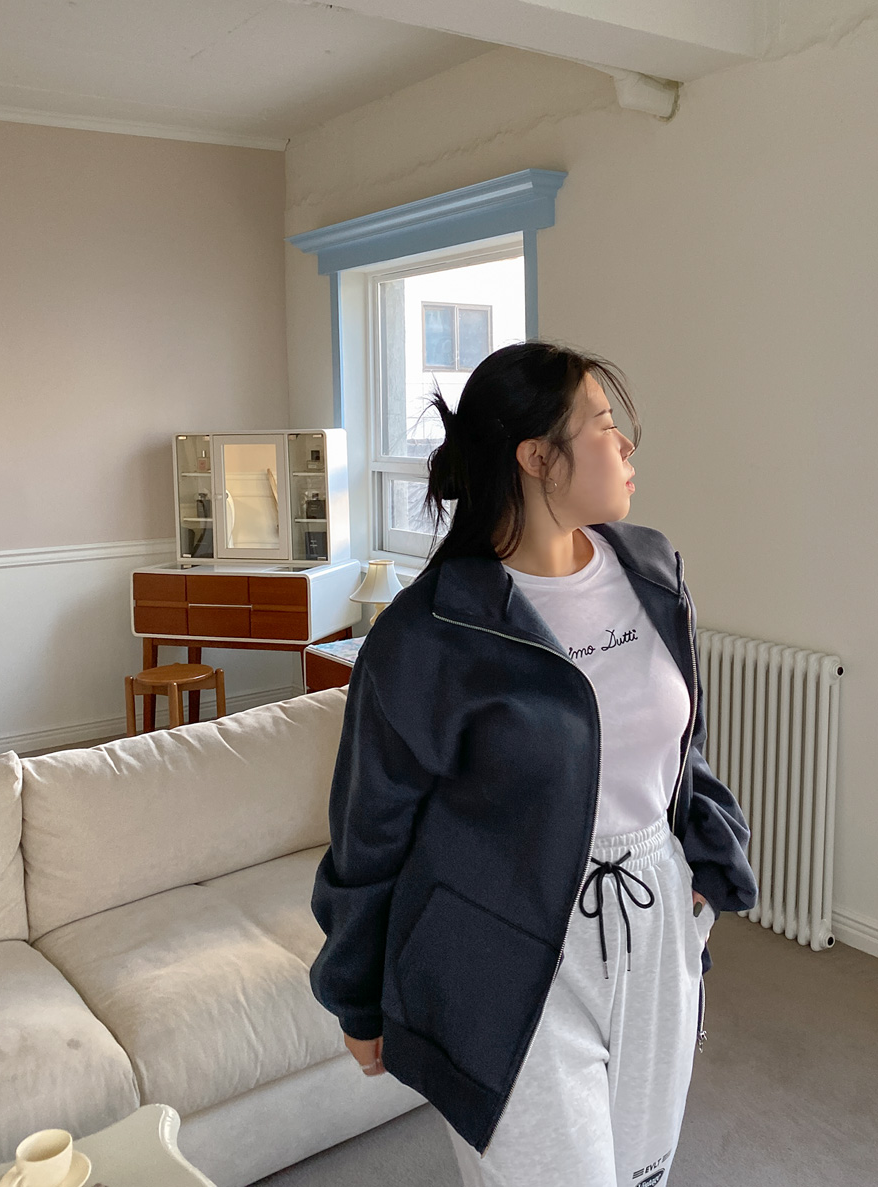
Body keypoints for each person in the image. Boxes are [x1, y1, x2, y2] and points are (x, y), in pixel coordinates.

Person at [310, 340, 758, 1187]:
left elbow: (677, 744)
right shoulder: (427, 635)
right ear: (536, 457)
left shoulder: (652, 569)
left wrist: (706, 850)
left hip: (655, 919)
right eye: (603, 425)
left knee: (641, 1173)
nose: (625, 444)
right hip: (502, 946)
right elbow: (370, 831)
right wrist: (356, 992)